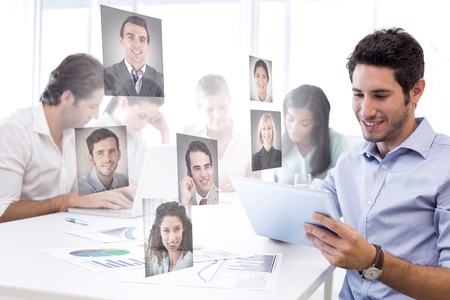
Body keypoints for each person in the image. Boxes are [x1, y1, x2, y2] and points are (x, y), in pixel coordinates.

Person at [303, 27, 450, 299]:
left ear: (415, 91)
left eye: (380, 96)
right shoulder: (349, 162)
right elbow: (305, 211)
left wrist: (373, 261)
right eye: (358, 94)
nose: (366, 110)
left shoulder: (445, 167)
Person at [0, 53, 133, 223]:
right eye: (92, 106)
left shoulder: (73, 132)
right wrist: (64, 201)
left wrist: (120, 189)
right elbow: (2, 212)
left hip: (61, 233)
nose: (96, 115)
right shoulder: (14, 132)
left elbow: (83, 194)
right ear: (68, 97)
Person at [182, 74, 251, 192]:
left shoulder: (248, 137)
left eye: (222, 107)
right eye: (209, 109)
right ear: (199, 107)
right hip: (201, 209)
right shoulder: (188, 134)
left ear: (230, 101)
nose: (217, 116)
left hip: (238, 207)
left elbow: (258, 182)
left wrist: (239, 184)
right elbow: (181, 182)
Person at [275, 84, 348, 184]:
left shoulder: (337, 142)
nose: (294, 128)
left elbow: (344, 186)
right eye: (290, 119)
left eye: (304, 123)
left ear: (318, 121)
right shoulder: (276, 142)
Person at [91, 95, 169, 181]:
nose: (144, 124)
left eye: (149, 119)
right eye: (141, 116)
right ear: (124, 103)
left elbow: (156, 177)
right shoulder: (93, 135)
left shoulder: (137, 138)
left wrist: (164, 133)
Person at [104, 15, 164, 97]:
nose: (137, 44)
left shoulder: (161, 80)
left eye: (142, 40)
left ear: (148, 46)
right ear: (121, 41)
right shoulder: (106, 76)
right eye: (131, 37)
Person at [146, 201, 193, 276]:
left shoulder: (190, 261)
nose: (172, 238)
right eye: (166, 230)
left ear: (183, 228)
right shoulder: (160, 263)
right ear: (159, 231)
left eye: (177, 229)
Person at [78, 128, 129, 196]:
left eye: (112, 151)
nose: (107, 159)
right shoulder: (81, 188)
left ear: (119, 154)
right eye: (100, 153)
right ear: (91, 159)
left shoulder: (123, 179)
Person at [179, 140, 219, 205]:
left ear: (212, 168)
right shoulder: (186, 202)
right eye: (197, 168)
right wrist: (185, 201)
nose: (204, 174)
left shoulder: (224, 197)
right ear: (189, 173)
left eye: (206, 167)